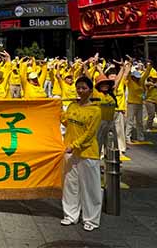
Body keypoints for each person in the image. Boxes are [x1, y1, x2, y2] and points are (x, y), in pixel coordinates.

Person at [61, 76, 102, 232]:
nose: (80, 90)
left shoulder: (95, 110)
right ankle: (70, 215)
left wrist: (75, 145)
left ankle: (91, 219)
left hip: (87, 152)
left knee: (90, 187)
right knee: (70, 184)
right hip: (69, 151)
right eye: (78, 87)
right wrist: (56, 108)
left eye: (84, 88)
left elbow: (90, 133)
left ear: (90, 90)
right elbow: (66, 122)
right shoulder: (72, 105)